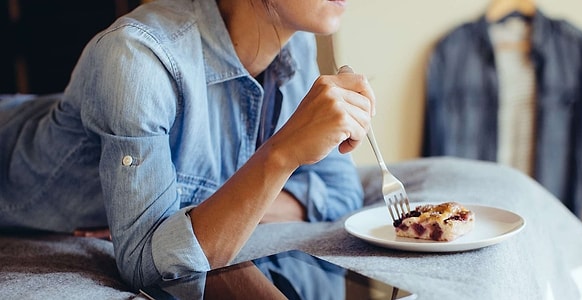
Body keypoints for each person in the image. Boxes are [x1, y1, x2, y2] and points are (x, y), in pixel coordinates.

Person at [0, 0, 375, 291]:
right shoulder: (136, 59)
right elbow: (148, 265)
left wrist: (215, 209)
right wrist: (281, 156)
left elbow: (340, 191)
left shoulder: (296, 45)